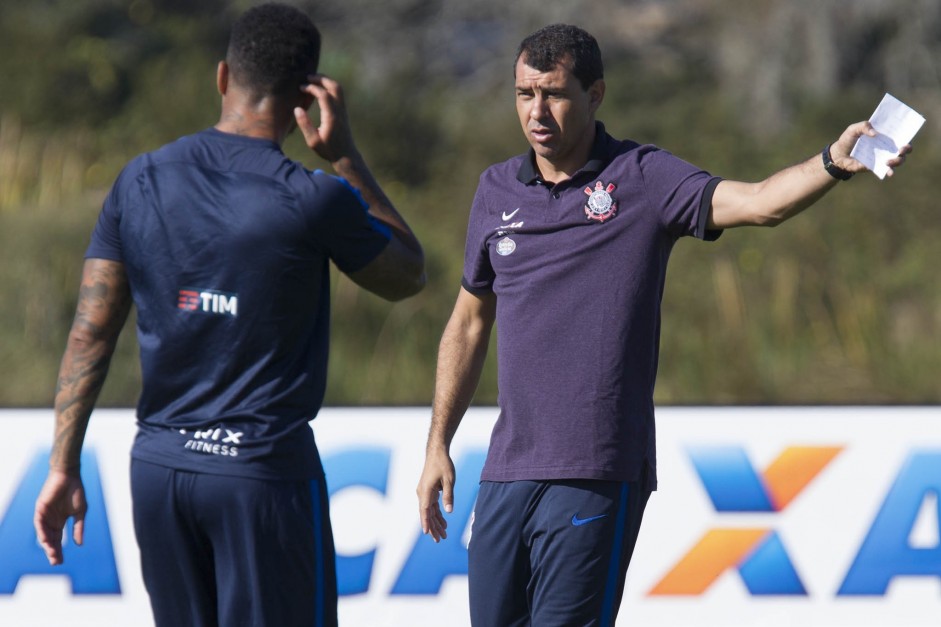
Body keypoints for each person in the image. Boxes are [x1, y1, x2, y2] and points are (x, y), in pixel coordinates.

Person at [416, 23, 910, 626]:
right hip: (505, 473)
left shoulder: (643, 177)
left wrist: (832, 161)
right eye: (524, 94)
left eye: (555, 93)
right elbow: (468, 321)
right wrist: (437, 442)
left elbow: (759, 202)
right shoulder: (495, 190)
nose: (537, 111)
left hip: (596, 469)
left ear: (595, 94)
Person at [33, 3, 424, 626]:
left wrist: (61, 466)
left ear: (222, 78)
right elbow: (407, 275)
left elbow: (90, 333)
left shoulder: (139, 180)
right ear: (307, 99)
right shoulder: (314, 195)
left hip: (160, 472)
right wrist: (346, 155)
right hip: (258, 476)